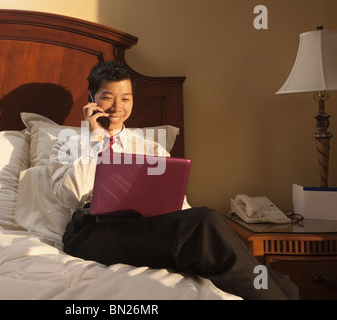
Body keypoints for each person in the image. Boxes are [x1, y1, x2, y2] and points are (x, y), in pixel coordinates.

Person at [48, 60, 299, 300]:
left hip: (149, 228)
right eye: (107, 97)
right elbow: (72, 195)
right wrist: (97, 139)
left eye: (125, 98)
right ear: (91, 98)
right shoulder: (68, 145)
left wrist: (192, 223)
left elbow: (176, 203)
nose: (117, 107)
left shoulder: (151, 148)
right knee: (210, 224)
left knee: (280, 280)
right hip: (92, 232)